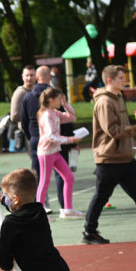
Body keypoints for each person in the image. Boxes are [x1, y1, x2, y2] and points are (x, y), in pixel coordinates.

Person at [82, 65, 136, 245]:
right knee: (101, 197)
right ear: (110, 80)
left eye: (123, 77)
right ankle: (89, 232)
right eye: (120, 78)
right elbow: (112, 130)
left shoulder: (118, 97)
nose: (124, 81)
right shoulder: (105, 102)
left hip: (126, 158)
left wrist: (135, 129)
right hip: (109, 159)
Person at [36, 88, 84, 218]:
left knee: (69, 177)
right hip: (46, 153)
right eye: (59, 99)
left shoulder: (55, 112)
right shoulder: (46, 115)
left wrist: (65, 105)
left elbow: (72, 117)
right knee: (44, 182)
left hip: (55, 151)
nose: (60, 101)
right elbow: (50, 136)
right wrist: (71, 140)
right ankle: (37, 213)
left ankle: (67, 209)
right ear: (51, 100)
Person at [8, 66, 36, 153]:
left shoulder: (37, 90)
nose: (29, 78)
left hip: (40, 131)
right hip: (28, 132)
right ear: (22, 76)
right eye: (27, 75)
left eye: (32, 75)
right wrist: (33, 116)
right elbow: (14, 116)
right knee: (36, 162)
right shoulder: (20, 92)